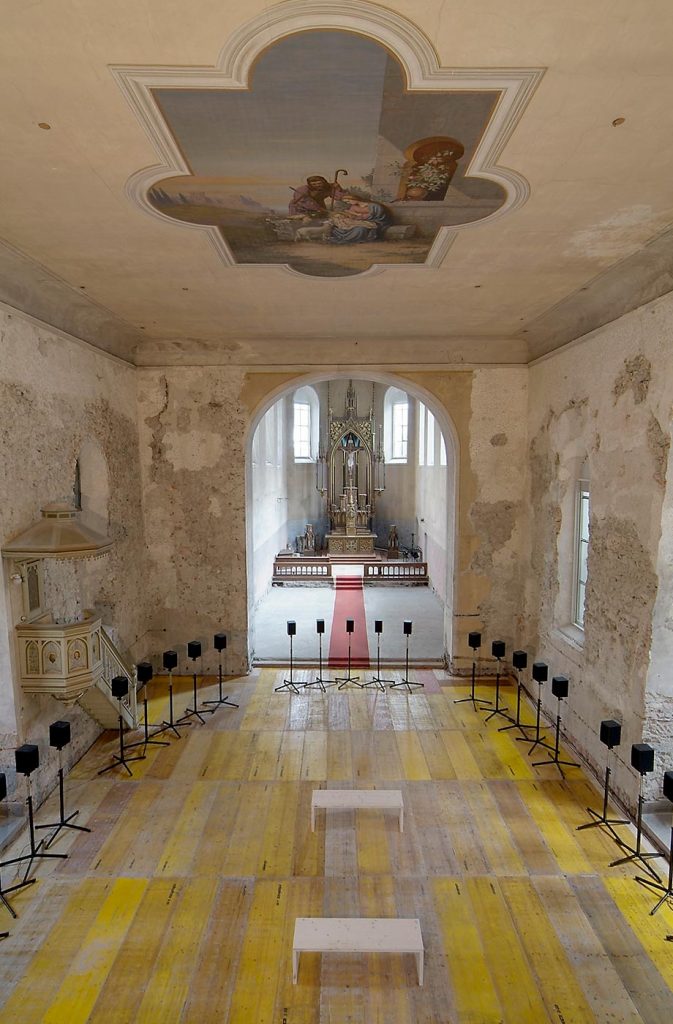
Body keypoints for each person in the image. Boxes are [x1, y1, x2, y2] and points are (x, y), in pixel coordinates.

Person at [327, 195, 391, 244]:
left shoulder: (374, 206)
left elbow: (379, 215)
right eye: (346, 202)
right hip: (358, 221)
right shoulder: (353, 207)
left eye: (348, 201)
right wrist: (344, 215)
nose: (349, 203)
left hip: (375, 221)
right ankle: (342, 238)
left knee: (360, 228)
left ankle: (348, 239)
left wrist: (360, 217)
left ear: (354, 199)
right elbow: (351, 216)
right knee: (340, 225)